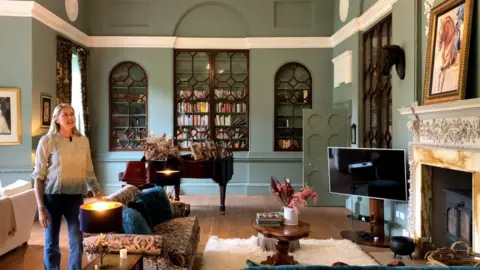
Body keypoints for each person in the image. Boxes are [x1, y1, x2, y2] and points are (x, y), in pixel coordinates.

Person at [32, 103, 102, 270]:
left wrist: (97, 192)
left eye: (72, 114)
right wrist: (41, 208)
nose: (70, 118)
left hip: (75, 197)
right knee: (51, 242)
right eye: (65, 115)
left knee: (77, 239)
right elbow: (38, 178)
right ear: (56, 119)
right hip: (52, 199)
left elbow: (89, 169)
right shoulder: (47, 141)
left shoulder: (83, 141)